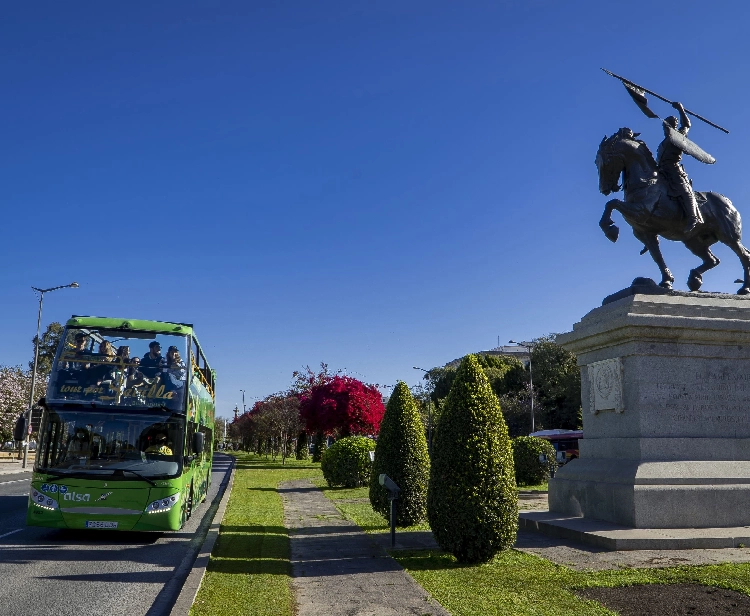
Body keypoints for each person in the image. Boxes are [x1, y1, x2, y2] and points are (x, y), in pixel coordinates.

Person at [657, 101, 703, 235]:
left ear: (672, 127)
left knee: (684, 190)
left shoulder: (678, 137)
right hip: (661, 171)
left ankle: (693, 217)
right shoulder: (662, 143)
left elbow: (687, 125)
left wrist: (681, 109)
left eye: (667, 126)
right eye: (664, 126)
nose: (665, 128)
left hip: (674, 170)